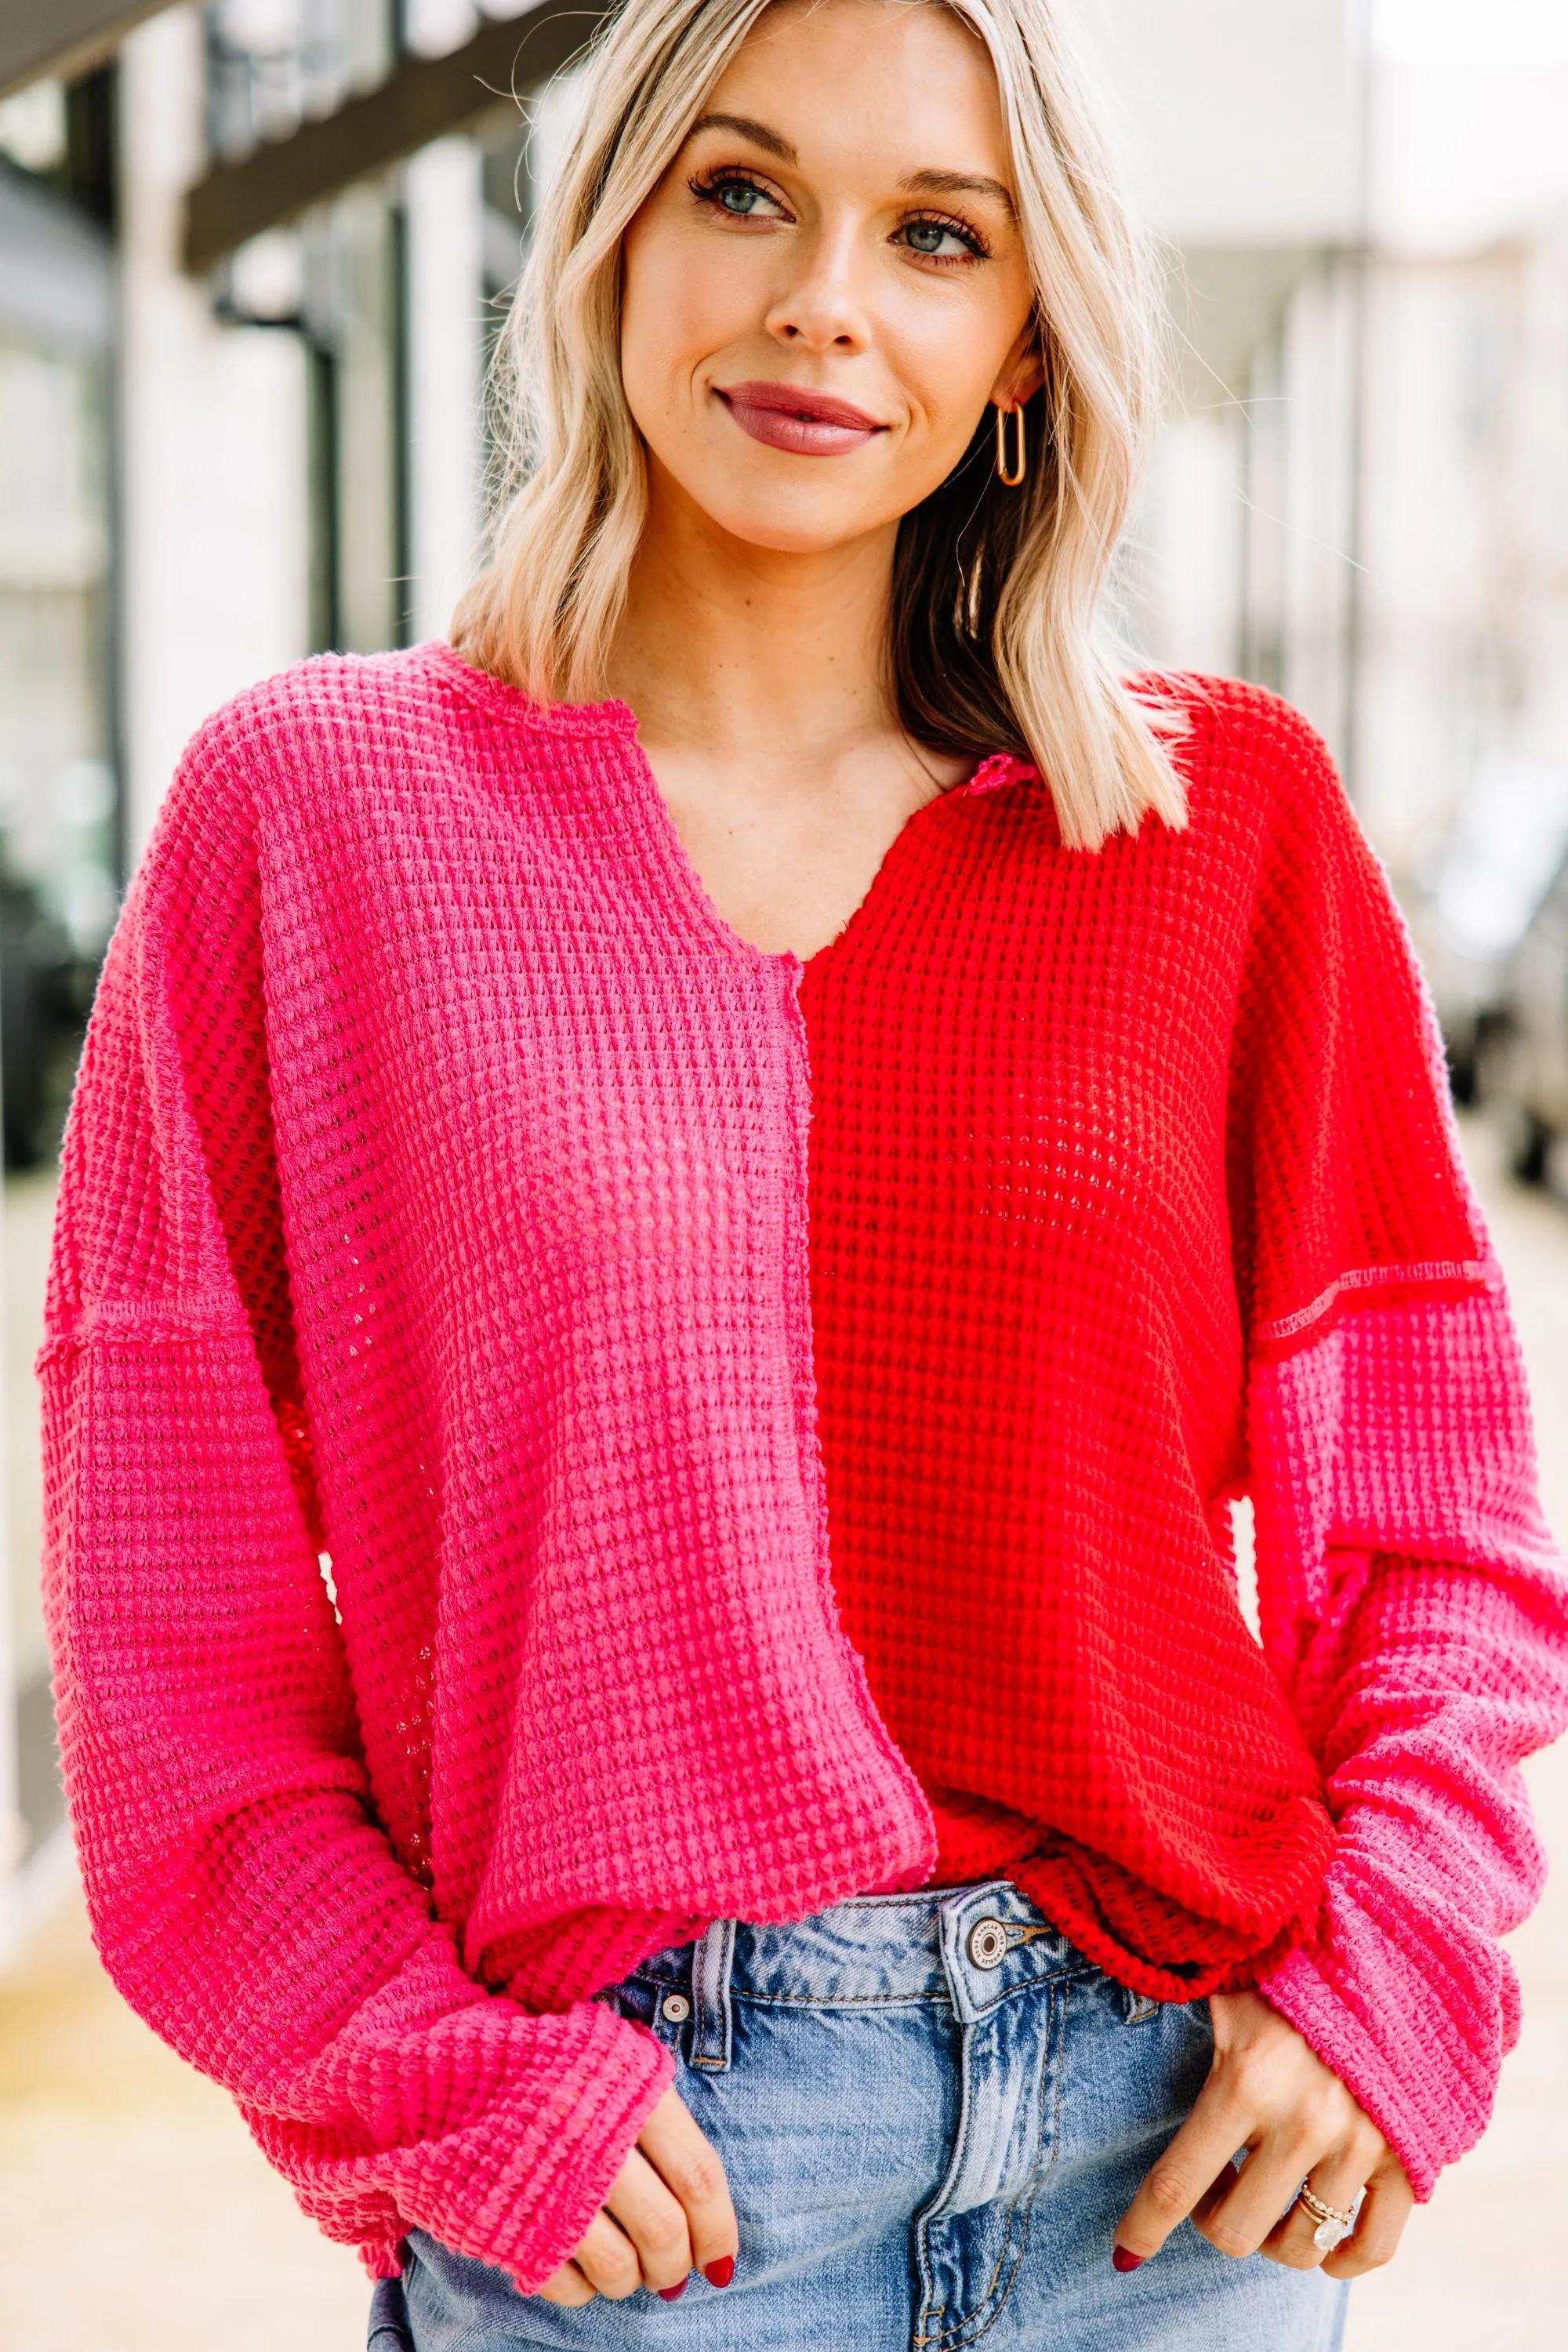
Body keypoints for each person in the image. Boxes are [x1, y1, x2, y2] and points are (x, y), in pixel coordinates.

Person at [41, 2, 1568, 2347]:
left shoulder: (1213, 830)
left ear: (1028, 343)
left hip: (1175, 2182)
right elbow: (174, 1636)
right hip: (640, 2178)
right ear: (614, 237)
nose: (821, 297)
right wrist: (436, 2074)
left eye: (933, 235)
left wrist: (1389, 1971)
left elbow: (1438, 1538)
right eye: (743, 190)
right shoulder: (320, 823)